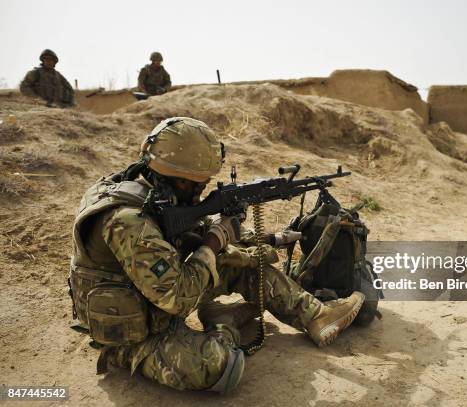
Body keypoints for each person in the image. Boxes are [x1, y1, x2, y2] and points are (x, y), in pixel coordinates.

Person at [68, 117, 365, 393]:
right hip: (135, 331)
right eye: (201, 184)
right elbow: (177, 296)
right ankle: (224, 324)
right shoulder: (127, 218)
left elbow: (194, 230)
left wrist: (262, 239)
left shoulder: (157, 192)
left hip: (158, 298)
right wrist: (214, 240)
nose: (203, 190)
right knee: (220, 367)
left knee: (244, 264)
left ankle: (316, 315)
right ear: (182, 180)